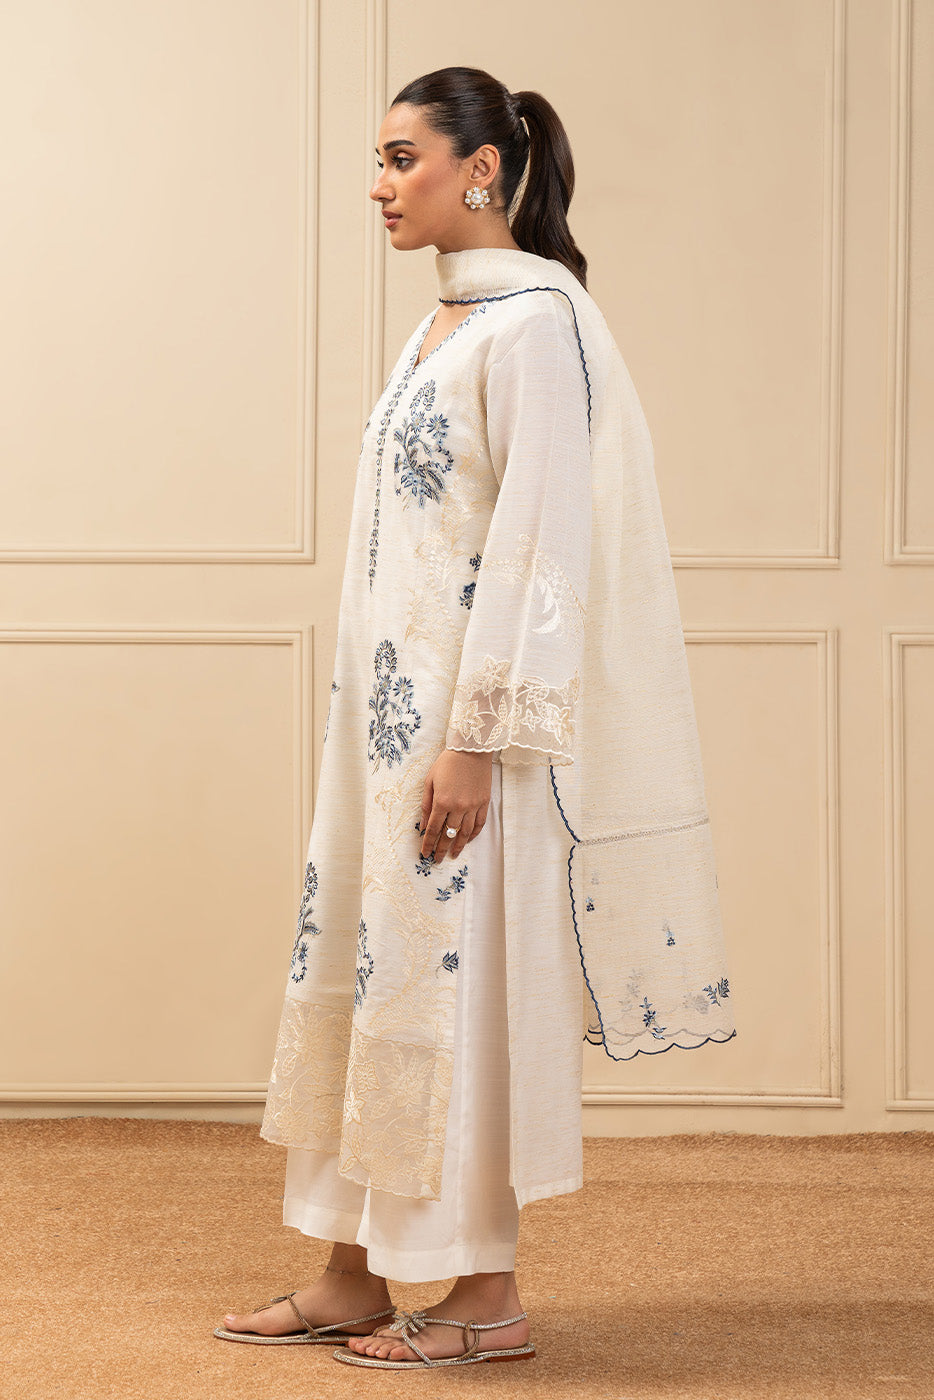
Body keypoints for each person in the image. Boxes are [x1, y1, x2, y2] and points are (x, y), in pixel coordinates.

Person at [214, 64, 735, 1371]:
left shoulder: (537, 326)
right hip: (385, 736)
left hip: (470, 740)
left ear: (482, 169)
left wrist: (474, 740)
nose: (380, 187)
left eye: (403, 159)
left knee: (462, 991)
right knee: (370, 975)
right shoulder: (445, 322)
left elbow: (539, 544)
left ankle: (485, 1295)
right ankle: (350, 1272)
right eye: (379, 162)